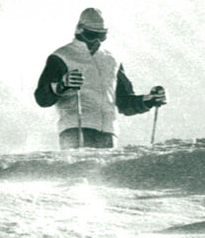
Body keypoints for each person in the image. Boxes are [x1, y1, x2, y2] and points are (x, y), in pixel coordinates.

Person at [34, 8, 166, 149]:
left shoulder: (111, 60)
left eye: (101, 36)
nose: (96, 40)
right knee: (80, 169)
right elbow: (41, 98)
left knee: (106, 169)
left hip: (108, 132)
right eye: (91, 35)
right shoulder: (62, 56)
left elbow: (124, 101)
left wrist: (149, 100)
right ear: (79, 30)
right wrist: (62, 85)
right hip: (75, 127)